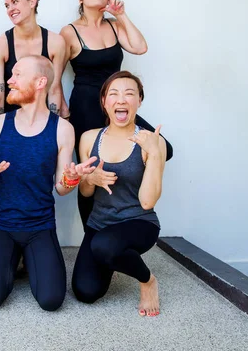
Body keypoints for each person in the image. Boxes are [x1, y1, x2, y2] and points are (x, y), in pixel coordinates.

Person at [0, 0, 68, 285]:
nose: (11, 9)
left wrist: (49, 127)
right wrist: (1, 134)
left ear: (33, 1)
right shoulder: (0, 44)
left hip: (43, 116)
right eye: (6, 5)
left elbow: (54, 85)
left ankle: (31, 250)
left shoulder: (56, 42)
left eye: (15, 2)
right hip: (9, 119)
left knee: (36, 182)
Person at [0, 56, 96, 311]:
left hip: (39, 226)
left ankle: (26, 260)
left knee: (51, 301)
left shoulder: (63, 128)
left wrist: (73, 177)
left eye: (17, 74)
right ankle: (15, 261)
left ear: (40, 82)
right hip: (1, 224)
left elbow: (62, 188)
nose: (9, 80)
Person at [60, 0, 173, 228]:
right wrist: (63, 113)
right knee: (89, 169)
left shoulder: (113, 25)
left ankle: (127, 214)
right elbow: (56, 76)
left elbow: (140, 47)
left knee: (163, 147)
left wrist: (121, 14)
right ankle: (93, 233)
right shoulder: (70, 31)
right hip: (86, 104)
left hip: (118, 104)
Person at [72, 71, 165, 317]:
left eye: (129, 94)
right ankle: (113, 256)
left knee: (104, 246)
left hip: (138, 222)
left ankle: (147, 280)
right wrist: (89, 178)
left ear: (139, 101)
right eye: (113, 94)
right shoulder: (89, 138)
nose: (121, 100)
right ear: (104, 102)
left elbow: (147, 201)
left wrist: (154, 154)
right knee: (85, 292)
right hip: (100, 224)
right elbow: (85, 191)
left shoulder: (152, 142)